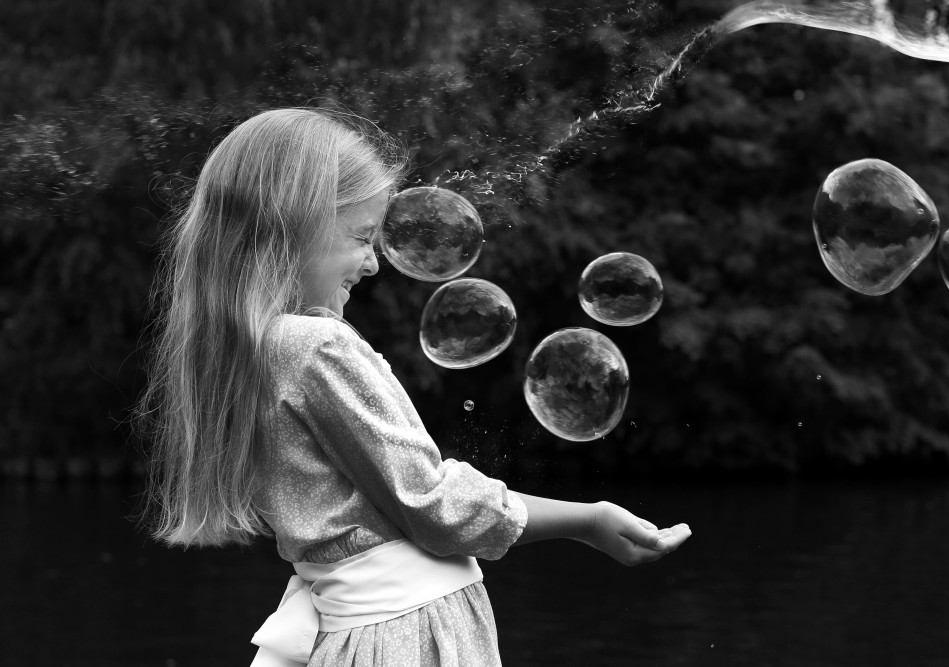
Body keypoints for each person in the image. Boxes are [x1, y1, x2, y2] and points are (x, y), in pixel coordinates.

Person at [138, 107, 691, 667]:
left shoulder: (251, 350)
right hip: (405, 637)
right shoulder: (314, 346)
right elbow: (432, 504)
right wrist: (587, 520)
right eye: (361, 237)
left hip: (357, 634)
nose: (373, 264)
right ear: (289, 226)